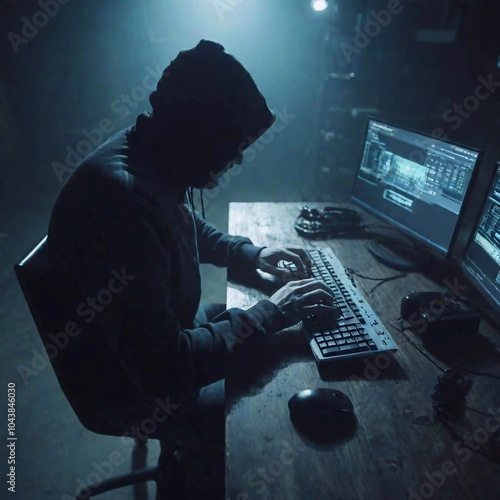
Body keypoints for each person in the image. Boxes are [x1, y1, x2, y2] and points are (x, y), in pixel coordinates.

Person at [47, 39, 336, 499]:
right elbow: (166, 369)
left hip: (152, 339)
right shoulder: (120, 201)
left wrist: (247, 254)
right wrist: (272, 314)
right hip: (127, 388)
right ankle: (197, 468)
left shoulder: (147, 150)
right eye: (230, 147)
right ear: (194, 138)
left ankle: (187, 458)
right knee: (276, 417)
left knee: (267, 335)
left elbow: (176, 220)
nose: (237, 159)